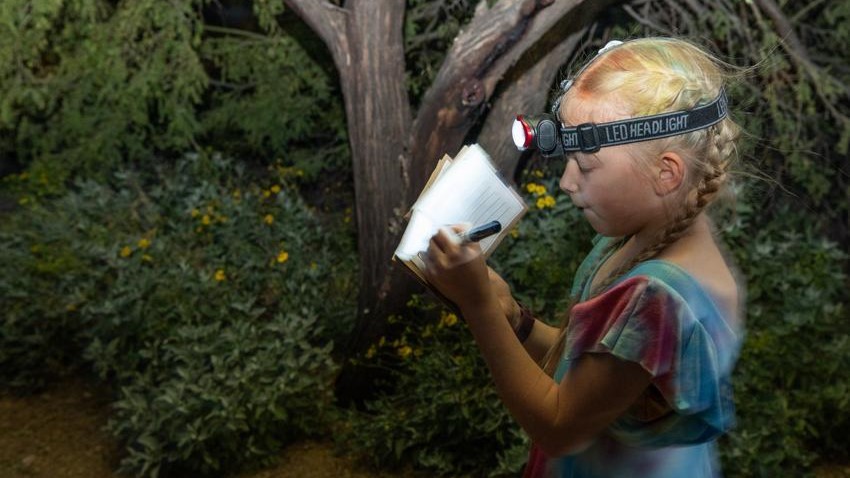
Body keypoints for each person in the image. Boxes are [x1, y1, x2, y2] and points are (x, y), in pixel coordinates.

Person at [420, 37, 745, 477]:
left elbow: (559, 427)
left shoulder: (659, 297)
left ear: (666, 172)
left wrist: (479, 308)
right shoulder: (634, 242)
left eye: (586, 166)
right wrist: (516, 320)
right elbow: (592, 368)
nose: (568, 183)